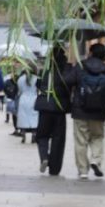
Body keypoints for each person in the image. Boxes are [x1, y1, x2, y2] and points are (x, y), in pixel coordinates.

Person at [64, 42, 105, 179]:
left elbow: (68, 81)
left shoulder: (81, 67)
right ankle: (96, 161)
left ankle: (83, 171)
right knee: (97, 137)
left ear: (90, 53)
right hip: (99, 112)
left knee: (81, 141)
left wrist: (70, 68)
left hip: (80, 111)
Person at [35, 46, 71, 175]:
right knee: (58, 138)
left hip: (44, 106)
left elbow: (38, 85)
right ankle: (55, 168)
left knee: (42, 135)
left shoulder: (45, 70)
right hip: (59, 108)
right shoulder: (67, 70)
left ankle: (44, 156)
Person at [15, 66, 40, 143]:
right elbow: (39, 89)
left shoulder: (20, 79)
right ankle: (34, 135)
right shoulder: (37, 79)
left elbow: (19, 90)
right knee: (34, 118)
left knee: (23, 118)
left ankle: (23, 135)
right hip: (34, 99)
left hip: (23, 99)